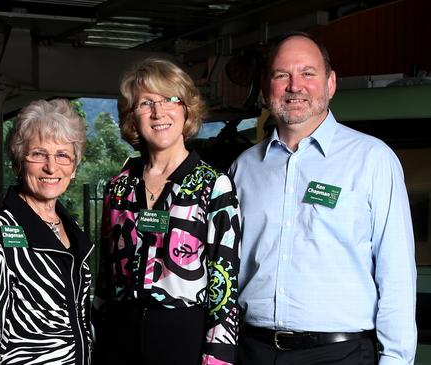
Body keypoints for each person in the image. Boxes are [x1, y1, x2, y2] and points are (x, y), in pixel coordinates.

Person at [229, 31, 417, 364]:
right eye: (281, 75)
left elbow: (397, 274)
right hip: (251, 351)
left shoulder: (372, 159)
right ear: (265, 87)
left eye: (307, 73)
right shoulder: (243, 169)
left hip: (339, 354)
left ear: (330, 83)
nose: (294, 86)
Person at [93, 57, 241, 365]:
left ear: (186, 108)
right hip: (119, 336)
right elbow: (106, 281)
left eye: (169, 100)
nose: (158, 112)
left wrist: (217, 358)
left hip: (183, 336)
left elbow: (224, 286)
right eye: (146, 103)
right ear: (132, 116)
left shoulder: (214, 185)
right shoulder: (117, 187)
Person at [0, 99, 92, 364]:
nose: (51, 167)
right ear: (18, 163)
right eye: (38, 154)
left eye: (62, 155)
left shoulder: (73, 229)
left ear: (73, 168)